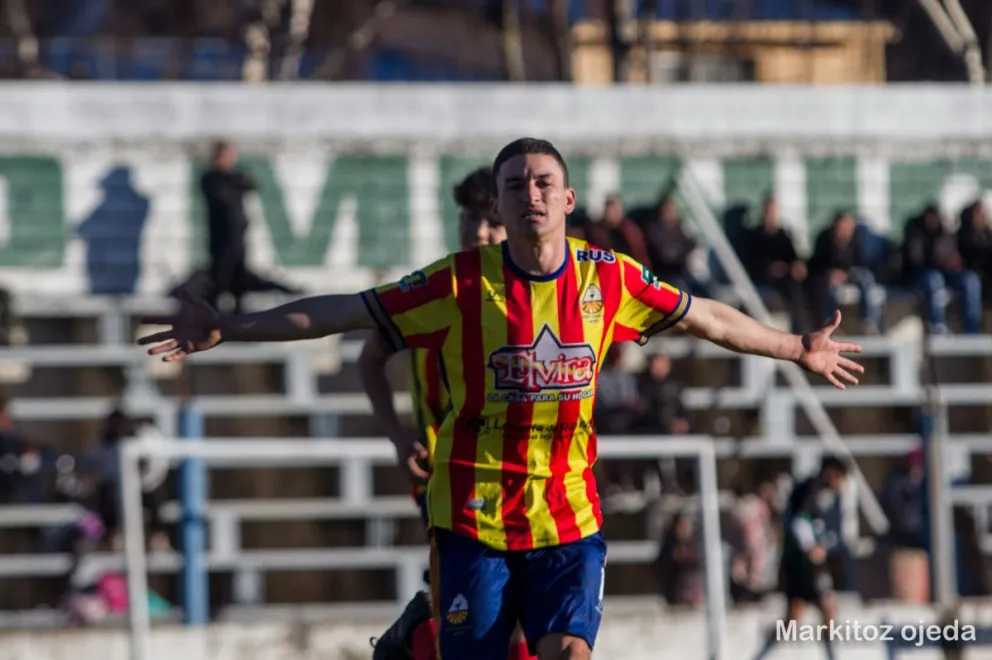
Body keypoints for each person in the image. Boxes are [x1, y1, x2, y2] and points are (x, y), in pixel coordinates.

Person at [138, 137, 865, 660]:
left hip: (567, 514)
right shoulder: (458, 284)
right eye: (515, 184)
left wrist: (793, 346)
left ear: (569, 198)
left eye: (544, 181)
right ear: (501, 201)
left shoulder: (608, 279)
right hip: (473, 515)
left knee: (569, 653)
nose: (531, 193)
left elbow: (706, 315)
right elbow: (341, 313)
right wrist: (229, 328)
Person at [359, 167, 530, 660]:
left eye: (490, 221)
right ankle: (417, 637)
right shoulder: (438, 291)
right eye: (469, 218)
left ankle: (414, 638)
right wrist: (396, 436)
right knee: (484, 621)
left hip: (529, 479)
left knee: (513, 619)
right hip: (451, 482)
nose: (478, 231)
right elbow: (370, 357)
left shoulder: (537, 295)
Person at [752, 456, 851, 660]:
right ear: (830, 473)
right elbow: (799, 522)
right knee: (823, 607)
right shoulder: (810, 490)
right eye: (840, 477)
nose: (841, 484)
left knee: (802, 615)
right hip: (802, 564)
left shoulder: (827, 495)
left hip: (808, 563)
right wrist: (811, 547)